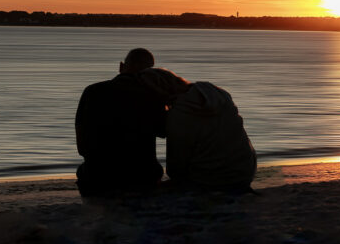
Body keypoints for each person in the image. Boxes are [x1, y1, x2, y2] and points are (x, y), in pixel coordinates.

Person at [137, 67, 256, 193]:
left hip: (215, 181)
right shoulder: (215, 92)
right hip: (245, 172)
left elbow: (176, 170)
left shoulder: (178, 115)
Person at [74, 48, 167, 197]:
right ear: (151, 73)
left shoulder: (92, 91)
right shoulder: (153, 96)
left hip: (96, 176)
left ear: (121, 66)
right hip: (141, 176)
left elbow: (82, 146)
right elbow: (164, 131)